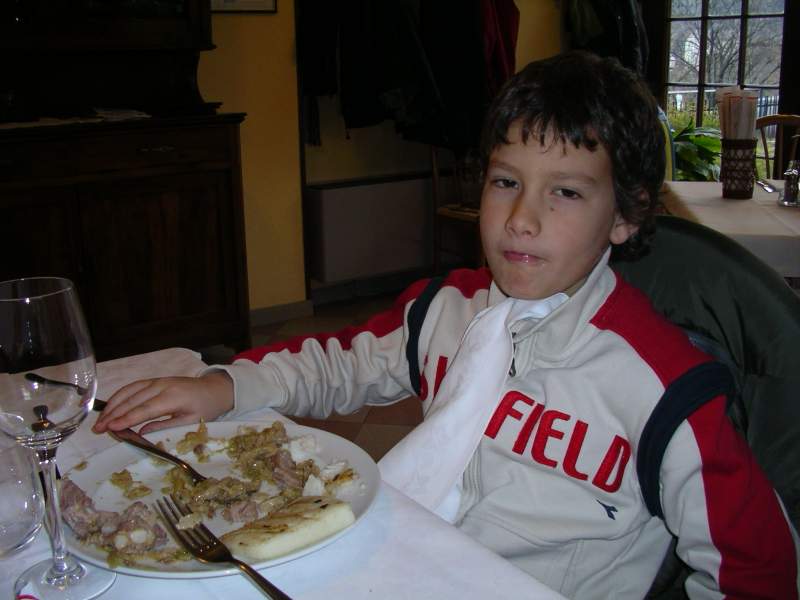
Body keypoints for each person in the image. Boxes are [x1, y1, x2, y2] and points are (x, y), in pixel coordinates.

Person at [93, 51, 799, 599]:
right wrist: (225, 386)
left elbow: (759, 568)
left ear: (626, 215)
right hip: (407, 566)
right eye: (505, 181)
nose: (521, 218)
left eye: (564, 192)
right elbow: (340, 363)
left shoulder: (666, 387)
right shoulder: (446, 310)